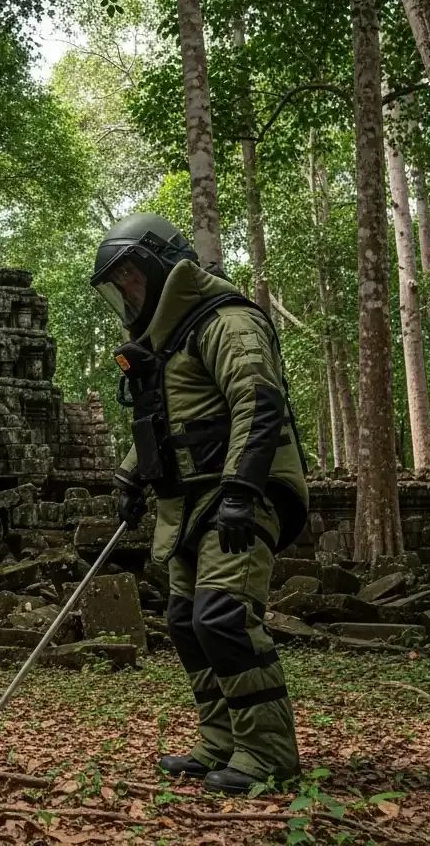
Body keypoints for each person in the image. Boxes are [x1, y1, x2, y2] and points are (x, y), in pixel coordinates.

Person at [91, 214, 308, 795]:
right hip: (191, 499)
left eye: (133, 279)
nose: (128, 294)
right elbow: (174, 426)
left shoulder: (227, 321)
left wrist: (241, 491)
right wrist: (132, 478)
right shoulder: (169, 343)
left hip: (241, 492)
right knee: (186, 622)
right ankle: (221, 741)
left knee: (223, 615)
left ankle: (267, 754)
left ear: (162, 266)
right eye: (119, 286)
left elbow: (257, 402)